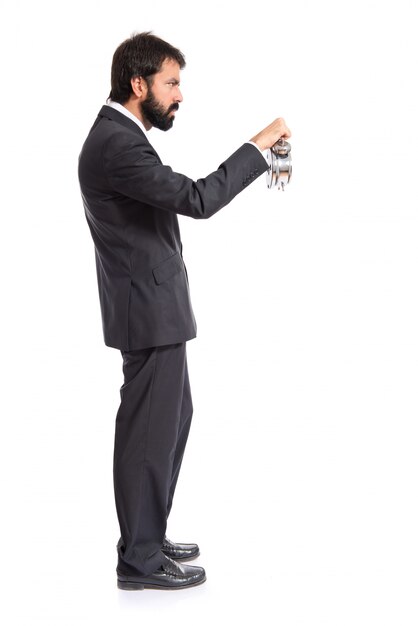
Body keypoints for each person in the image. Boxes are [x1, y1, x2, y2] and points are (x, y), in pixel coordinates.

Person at [78, 31, 291, 591]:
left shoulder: (119, 137)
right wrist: (260, 146)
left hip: (152, 307)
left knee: (169, 422)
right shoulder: (117, 143)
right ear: (138, 82)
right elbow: (197, 199)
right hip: (147, 310)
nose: (179, 95)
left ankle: (146, 535)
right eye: (172, 83)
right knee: (151, 431)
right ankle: (140, 560)